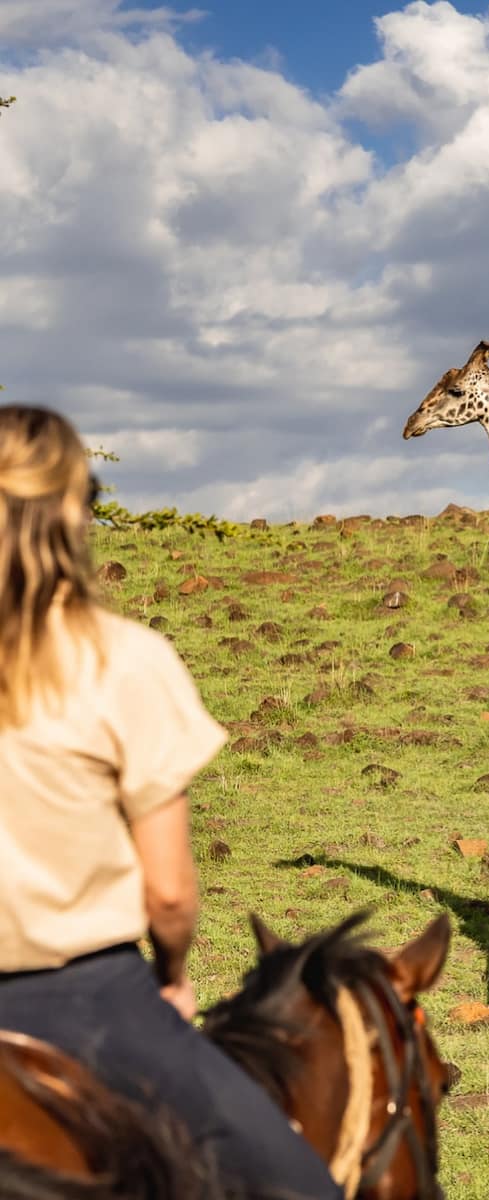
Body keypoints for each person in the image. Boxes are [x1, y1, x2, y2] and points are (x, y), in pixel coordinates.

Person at [0, 405, 342, 1199]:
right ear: (65, 509)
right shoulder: (124, 659)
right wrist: (173, 973)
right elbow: (169, 892)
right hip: (84, 1002)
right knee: (303, 1187)